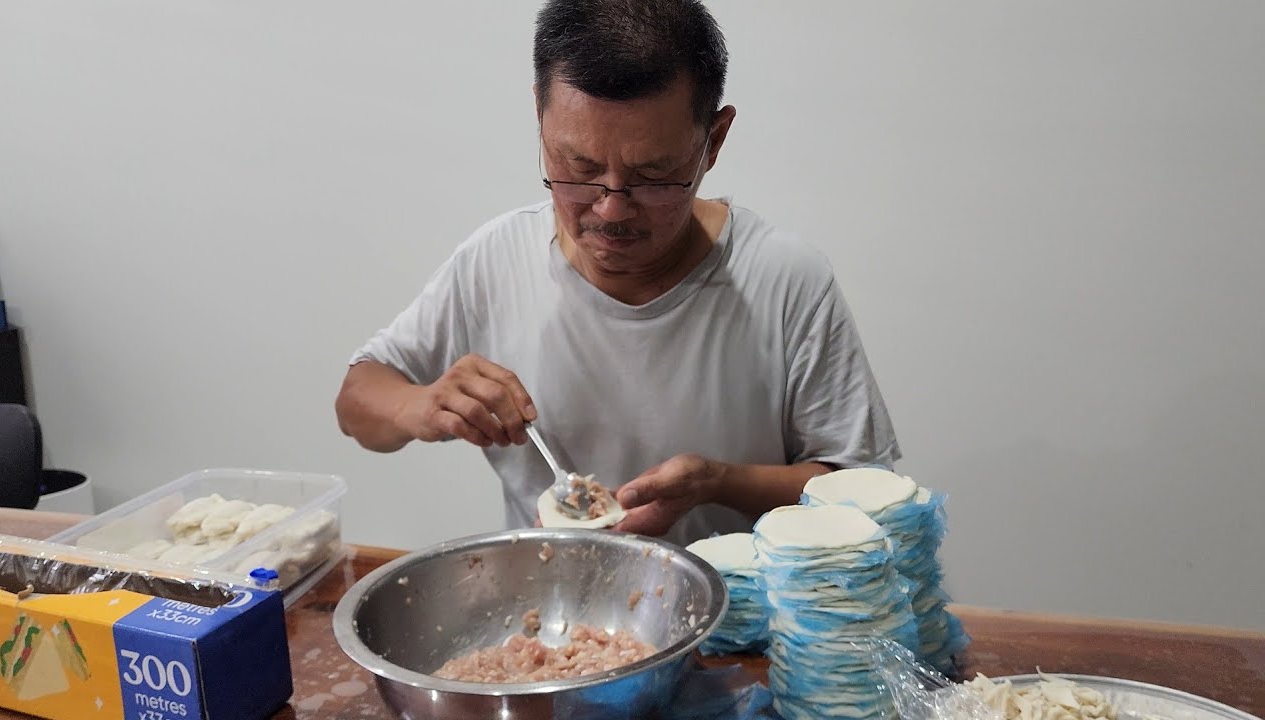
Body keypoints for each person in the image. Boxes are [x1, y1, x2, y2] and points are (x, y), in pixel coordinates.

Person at [335, 0, 900, 547]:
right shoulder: (495, 261)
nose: (610, 209)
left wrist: (716, 483)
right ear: (539, 117)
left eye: (653, 176)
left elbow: (862, 492)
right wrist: (418, 407)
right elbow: (358, 401)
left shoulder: (785, 281)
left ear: (714, 141)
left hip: (737, 608)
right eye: (578, 167)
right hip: (551, 599)